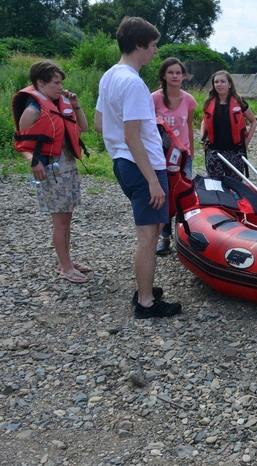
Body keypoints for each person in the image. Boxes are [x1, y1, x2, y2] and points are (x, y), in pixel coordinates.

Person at [95, 16, 182, 319]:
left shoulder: (109, 76)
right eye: (153, 46)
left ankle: (145, 288)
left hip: (124, 162)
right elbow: (133, 136)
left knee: (153, 228)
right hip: (143, 166)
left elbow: (98, 124)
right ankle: (145, 302)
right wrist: (153, 181)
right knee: (148, 236)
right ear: (138, 45)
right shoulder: (132, 83)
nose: (155, 52)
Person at [12, 60, 91, 284]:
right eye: (56, 82)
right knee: (61, 222)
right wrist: (33, 162)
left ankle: (65, 260)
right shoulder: (32, 109)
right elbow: (21, 144)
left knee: (67, 218)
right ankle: (66, 268)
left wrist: (75, 103)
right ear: (40, 82)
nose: (60, 87)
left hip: (68, 167)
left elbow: (83, 127)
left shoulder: (62, 103)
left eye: (61, 82)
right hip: (51, 171)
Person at [151, 57, 198, 256]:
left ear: (183, 76)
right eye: (171, 72)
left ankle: (184, 237)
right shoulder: (153, 98)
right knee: (164, 196)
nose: (175, 76)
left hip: (182, 154)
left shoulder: (188, 99)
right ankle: (165, 238)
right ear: (163, 75)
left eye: (178, 73)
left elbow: (189, 126)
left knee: (182, 194)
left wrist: (192, 152)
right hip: (161, 155)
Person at [200, 70, 256, 180]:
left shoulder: (239, 101)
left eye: (222, 81)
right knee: (216, 186)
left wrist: (247, 140)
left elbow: (253, 121)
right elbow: (204, 121)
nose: (219, 84)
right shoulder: (209, 102)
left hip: (235, 151)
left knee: (235, 186)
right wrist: (202, 138)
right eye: (216, 82)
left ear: (229, 84)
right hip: (214, 151)